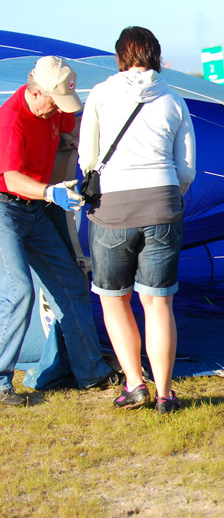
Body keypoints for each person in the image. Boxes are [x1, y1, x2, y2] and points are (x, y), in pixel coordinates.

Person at [79, 27, 196, 413]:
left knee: (115, 300)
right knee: (158, 302)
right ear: (157, 57)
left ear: (119, 57)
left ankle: (134, 383)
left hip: (113, 207)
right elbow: (186, 170)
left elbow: (88, 158)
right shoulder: (175, 99)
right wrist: (167, 195)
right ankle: (165, 393)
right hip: (163, 203)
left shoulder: (99, 94)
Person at [0, 56, 120, 406]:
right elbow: (11, 178)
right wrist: (49, 191)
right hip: (6, 207)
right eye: (54, 103)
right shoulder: (12, 121)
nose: (58, 112)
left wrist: (86, 143)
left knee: (70, 283)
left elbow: (76, 124)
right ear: (36, 93)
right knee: (19, 292)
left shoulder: (53, 109)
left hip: (33, 209)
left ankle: (91, 371)